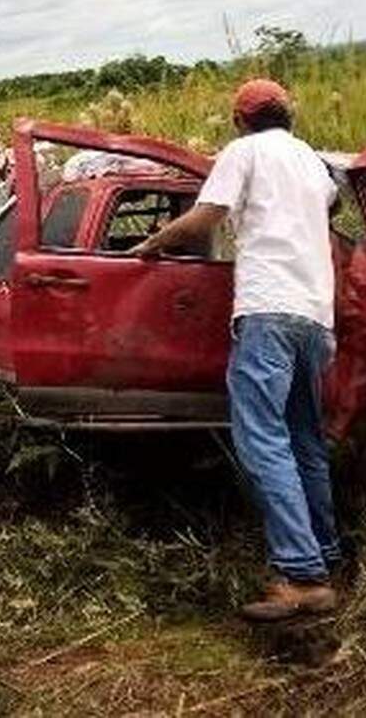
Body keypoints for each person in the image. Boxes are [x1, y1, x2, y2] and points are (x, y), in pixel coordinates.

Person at [132, 79, 341, 621]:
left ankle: (301, 574)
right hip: (316, 317)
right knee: (304, 441)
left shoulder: (242, 152)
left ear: (239, 120)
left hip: (268, 311)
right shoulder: (313, 162)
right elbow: (331, 207)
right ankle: (326, 554)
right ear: (288, 116)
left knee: (262, 440)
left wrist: (154, 243)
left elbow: (207, 216)